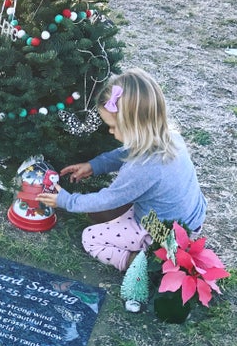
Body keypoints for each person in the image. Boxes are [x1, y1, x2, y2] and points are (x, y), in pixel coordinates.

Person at [37, 68, 207, 273]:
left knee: (91, 237)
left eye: (113, 126)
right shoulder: (170, 137)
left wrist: (66, 200)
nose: (110, 131)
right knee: (102, 211)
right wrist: (95, 165)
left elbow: (108, 198)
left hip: (165, 233)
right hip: (190, 220)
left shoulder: (143, 168)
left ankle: (146, 263)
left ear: (134, 126)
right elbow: (125, 153)